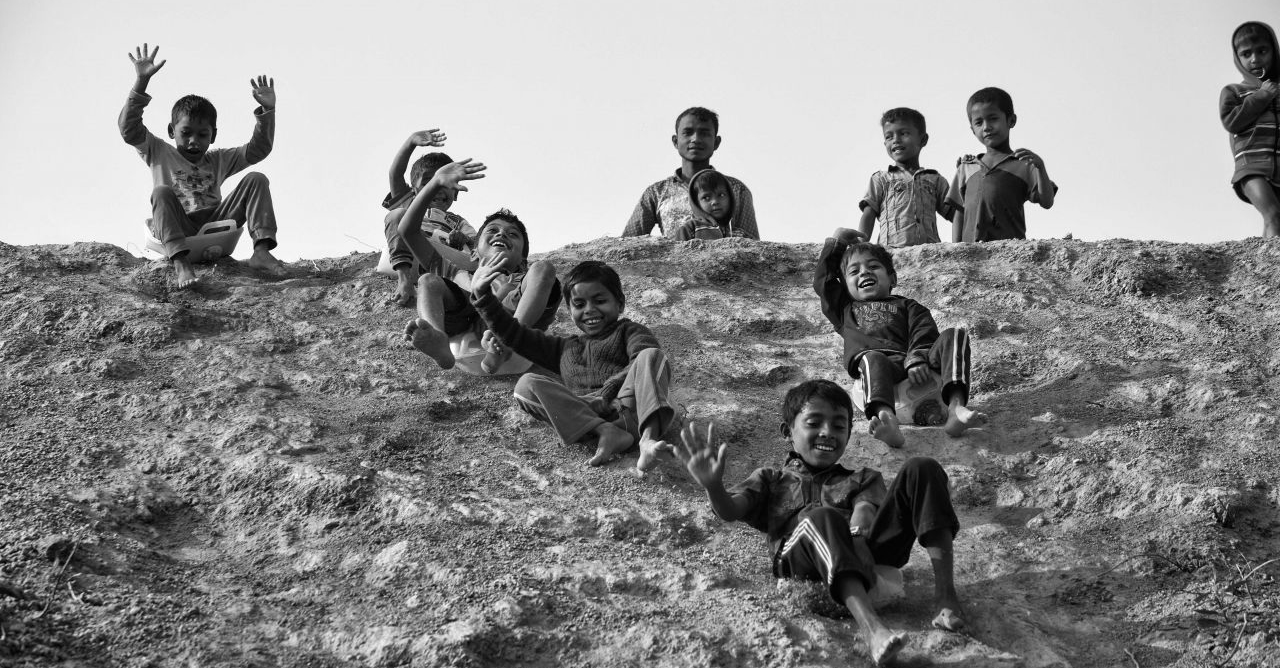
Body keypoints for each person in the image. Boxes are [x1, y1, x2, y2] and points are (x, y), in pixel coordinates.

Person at [674, 379, 966, 666]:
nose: (827, 433)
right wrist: (713, 486)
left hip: (863, 555)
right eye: (814, 423)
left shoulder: (862, 477)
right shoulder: (770, 480)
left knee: (922, 468)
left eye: (839, 426)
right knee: (821, 516)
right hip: (801, 568)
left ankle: (945, 598)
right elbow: (730, 510)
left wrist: (858, 536)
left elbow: (865, 510)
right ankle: (872, 630)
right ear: (788, 432)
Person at [471, 260, 675, 473]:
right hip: (584, 416)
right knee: (525, 385)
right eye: (579, 304)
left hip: (626, 407)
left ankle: (648, 442)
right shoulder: (564, 347)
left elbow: (642, 358)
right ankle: (606, 432)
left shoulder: (629, 331)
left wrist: (607, 392)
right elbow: (516, 335)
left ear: (620, 303)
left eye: (599, 300)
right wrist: (483, 297)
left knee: (651, 356)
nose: (589, 310)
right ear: (569, 310)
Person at [119, 44, 285, 289]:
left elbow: (258, 150)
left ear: (213, 136)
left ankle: (261, 251)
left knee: (256, 178)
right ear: (171, 131)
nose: (194, 141)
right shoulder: (159, 151)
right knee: (161, 192)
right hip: (179, 227)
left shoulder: (218, 159)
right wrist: (141, 83)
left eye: (202, 134)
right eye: (186, 133)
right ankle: (181, 264)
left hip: (215, 225)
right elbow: (129, 129)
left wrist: (267, 111)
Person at [814, 230, 986, 448]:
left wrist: (917, 358)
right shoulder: (845, 310)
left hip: (915, 367)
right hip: (880, 371)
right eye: (854, 271)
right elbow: (824, 282)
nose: (864, 272)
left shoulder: (908, 306)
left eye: (874, 267)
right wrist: (837, 242)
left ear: (892, 278)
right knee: (871, 357)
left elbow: (924, 333)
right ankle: (887, 420)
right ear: (845, 286)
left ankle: (956, 409)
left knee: (955, 335)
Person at [400, 159, 559, 374]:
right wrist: (435, 183)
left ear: (522, 259)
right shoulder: (460, 274)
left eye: (512, 234)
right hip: (466, 315)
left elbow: (539, 276)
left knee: (544, 268)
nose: (502, 234)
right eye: (492, 231)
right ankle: (438, 340)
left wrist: (507, 288)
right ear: (473, 252)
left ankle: (508, 340)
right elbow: (408, 231)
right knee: (428, 280)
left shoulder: (524, 279)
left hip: (514, 322)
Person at [622, 107, 759, 240]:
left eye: (704, 133)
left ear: (716, 143)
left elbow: (752, 248)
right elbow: (627, 243)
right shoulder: (656, 193)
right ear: (675, 141)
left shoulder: (736, 189)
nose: (696, 139)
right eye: (688, 133)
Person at [946, 87, 1056, 242]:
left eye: (993, 119)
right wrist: (954, 250)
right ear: (972, 129)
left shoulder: (1023, 164)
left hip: (1007, 253)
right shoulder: (967, 167)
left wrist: (1040, 168)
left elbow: (1047, 202)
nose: (986, 127)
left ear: (1011, 120)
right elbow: (959, 211)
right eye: (979, 122)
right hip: (970, 254)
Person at [382, 129, 478, 305]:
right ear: (414, 190)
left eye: (444, 183)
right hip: (413, 254)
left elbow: (477, 246)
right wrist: (410, 142)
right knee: (397, 216)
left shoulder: (458, 222)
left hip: (443, 261)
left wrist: (462, 239)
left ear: (456, 192)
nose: (437, 188)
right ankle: (404, 281)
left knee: (477, 259)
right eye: (428, 183)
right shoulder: (409, 205)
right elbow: (394, 174)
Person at [857, 108, 951, 248]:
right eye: (889, 137)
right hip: (891, 253)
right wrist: (860, 245)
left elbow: (955, 214)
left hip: (929, 252)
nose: (896, 140)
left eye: (903, 133)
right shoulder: (881, 179)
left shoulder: (935, 180)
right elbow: (869, 213)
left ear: (923, 140)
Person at [1221, 21, 1280, 238]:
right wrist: (1263, 95)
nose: (1254, 59)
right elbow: (1232, 121)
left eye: (1262, 51)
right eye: (1246, 54)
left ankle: (1265, 266)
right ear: (1238, 58)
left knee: (1274, 221)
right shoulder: (1234, 91)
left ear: (1274, 51)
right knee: (1274, 214)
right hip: (1251, 168)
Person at [673, 169, 747, 240]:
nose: (715, 201)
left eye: (721, 195)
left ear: (730, 198)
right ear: (696, 203)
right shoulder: (690, 229)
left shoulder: (740, 235)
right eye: (706, 197)